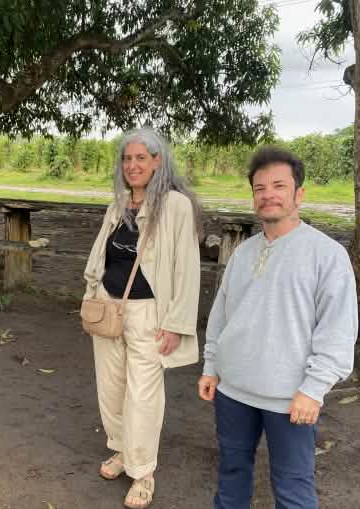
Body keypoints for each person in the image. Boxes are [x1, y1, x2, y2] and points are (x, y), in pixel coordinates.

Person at [197, 147, 358, 509]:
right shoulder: (243, 252)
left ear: (299, 194)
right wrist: (211, 366)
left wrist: (314, 389)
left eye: (279, 186)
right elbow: (222, 314)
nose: (268, 194)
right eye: (259, 188)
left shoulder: (327, 255)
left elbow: (338, 330)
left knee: (292, 487)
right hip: (234, 391)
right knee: (231, 474)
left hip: (291, 398)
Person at [83, 127, 202, 509]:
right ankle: (121, 451)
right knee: (111, 388)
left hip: (150, 313)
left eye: (140, 158)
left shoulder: (175, 206)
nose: (132, 165)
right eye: (126, 158)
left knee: (143, 394)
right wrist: (92, 293)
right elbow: (99, 256)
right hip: (110, 308)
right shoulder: (118, 205)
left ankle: (143, 470)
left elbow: (187, 268)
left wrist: (177, 323)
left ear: (157, 162)